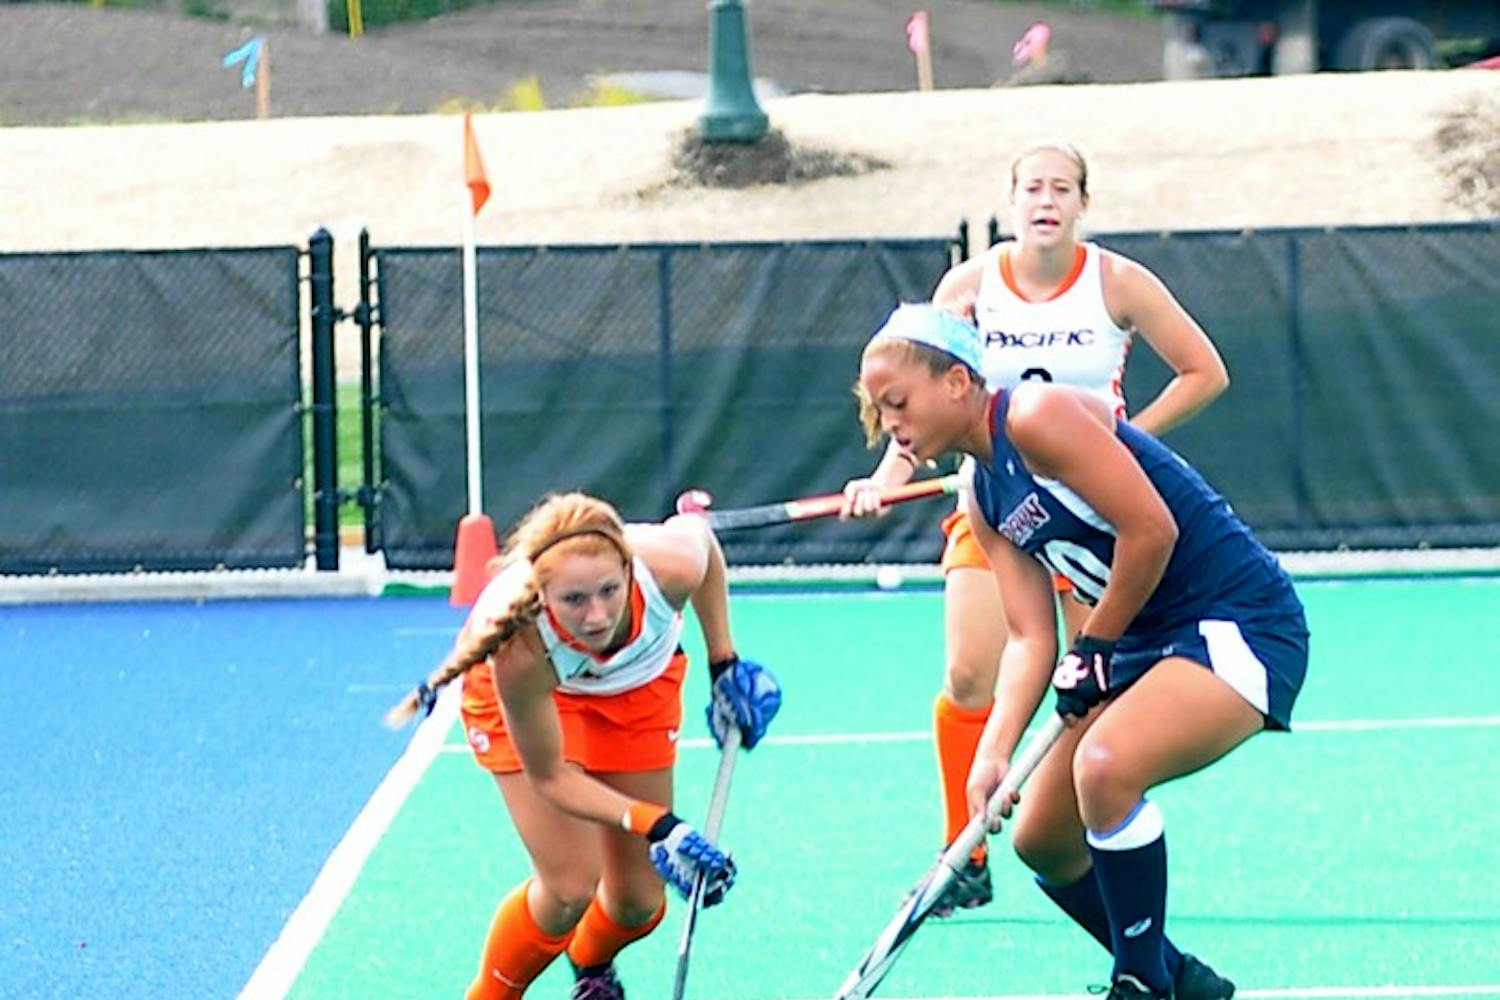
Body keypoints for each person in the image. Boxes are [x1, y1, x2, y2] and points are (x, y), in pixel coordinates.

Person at [856, 304, 1308, 1000]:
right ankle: (1180, 978)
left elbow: (1151, 530)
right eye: (879, 411)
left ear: (955, 381)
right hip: (1144, 640)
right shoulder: (983, 491)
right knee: (1044, 837)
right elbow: (1031, 636)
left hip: (1236, 620)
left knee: (1105, 768)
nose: (891, 425)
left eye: (897, 402)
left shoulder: (1035, 416)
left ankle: (1140, 982)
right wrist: (993, 752)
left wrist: (1095, 644)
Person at [842, 139, 1228, 925]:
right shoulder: (969, 286)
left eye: (1062, 188)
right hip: (998, 502)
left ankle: (1101, 848)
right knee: (968, 675)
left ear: (1084, 202)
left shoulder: (1118, 282)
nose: (1045, 201)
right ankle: (963, 854)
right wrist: (885, 481)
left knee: (1089, 698)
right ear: (1010, 200)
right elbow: (912, 387)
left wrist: (1121, 449)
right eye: (1031, 188)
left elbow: (1204, 371)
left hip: (1092, 514)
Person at [385, 492, 782, 1000]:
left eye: (609, 591)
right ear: (544, 594)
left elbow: (702, 543)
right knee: (570, 885)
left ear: (627, 567)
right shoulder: (518, 648)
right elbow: (551, 777)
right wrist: (661, 826)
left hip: (637, 690)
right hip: (535, 699)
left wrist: (723, 664)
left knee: (638, 901)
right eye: (574, 600)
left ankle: (591, 963)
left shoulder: (669, 564)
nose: (596, 616)